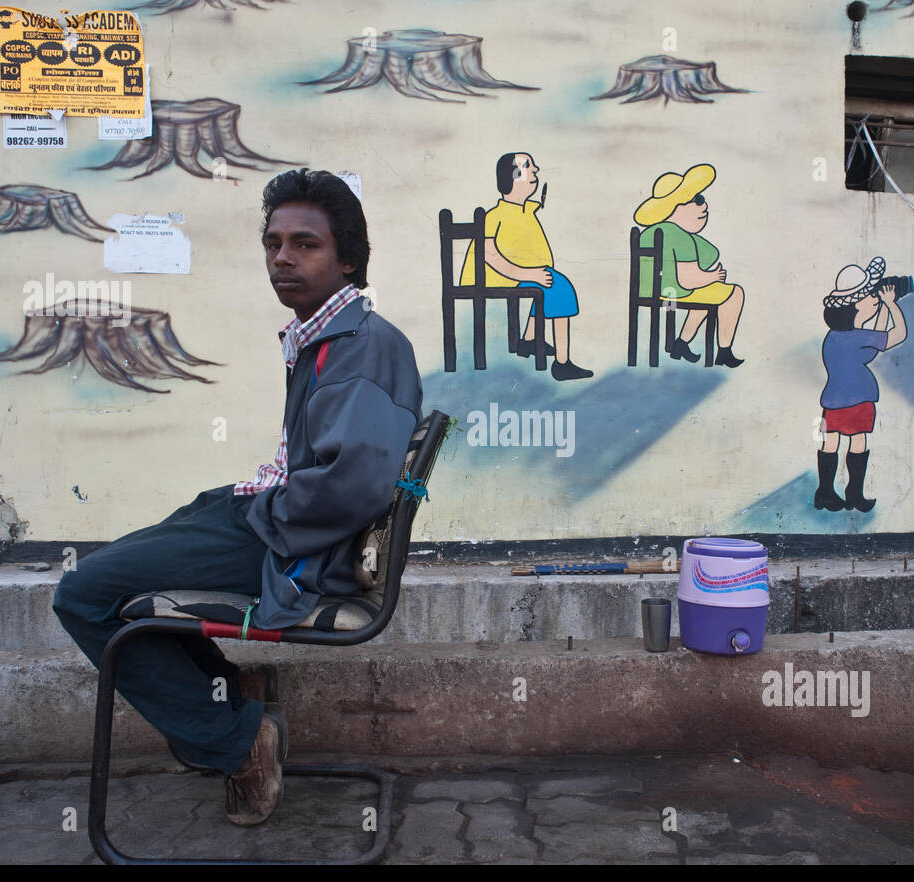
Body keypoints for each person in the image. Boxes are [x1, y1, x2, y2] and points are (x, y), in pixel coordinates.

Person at [53, 169, 423, 826]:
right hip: (277, 518)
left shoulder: (363, 348)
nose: (283, 257)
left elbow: (355, 482)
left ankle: (238, 738)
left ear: (347, 259)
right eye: (273, 242)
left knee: (82, 593)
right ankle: (235, 694)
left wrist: (267, 515)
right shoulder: (327, 336)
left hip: (293, 547)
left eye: (305, 244)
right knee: (151, 545)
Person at [459, 151, 593, 381]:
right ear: (511, 177)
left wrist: (533, 273)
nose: (536, 170)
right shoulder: (495, 216)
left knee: (548, 283)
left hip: (519, 275)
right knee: (559, 288)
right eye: (528, 166)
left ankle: (529, 341)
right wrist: (529, 273)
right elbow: (489, 256)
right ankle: (562, 363)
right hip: (494, 277)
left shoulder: (525, 211)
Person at [814, 256, 907, 511]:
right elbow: (898, 335)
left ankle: (825, 492)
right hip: (858, 399)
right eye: (868, 296)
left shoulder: (836, 337)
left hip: (833, 399)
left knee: (830, 442)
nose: (874, 299)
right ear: (854, 306)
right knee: (857, 442)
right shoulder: (856, 337)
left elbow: (870, 350)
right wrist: (891, 305)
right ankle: (853, 493)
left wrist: (884, 310)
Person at [633, 163, 745, 368]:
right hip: (672, 295)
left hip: (654, 292)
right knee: (734, 293)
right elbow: (687, 279)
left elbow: (708, 254)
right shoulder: (677, 235)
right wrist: (714, 277)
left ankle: (681, 343)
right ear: (675, 207)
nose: (704, 206)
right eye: (697, 200)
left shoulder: (652, 232)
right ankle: (724, 351)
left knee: (709, 293)